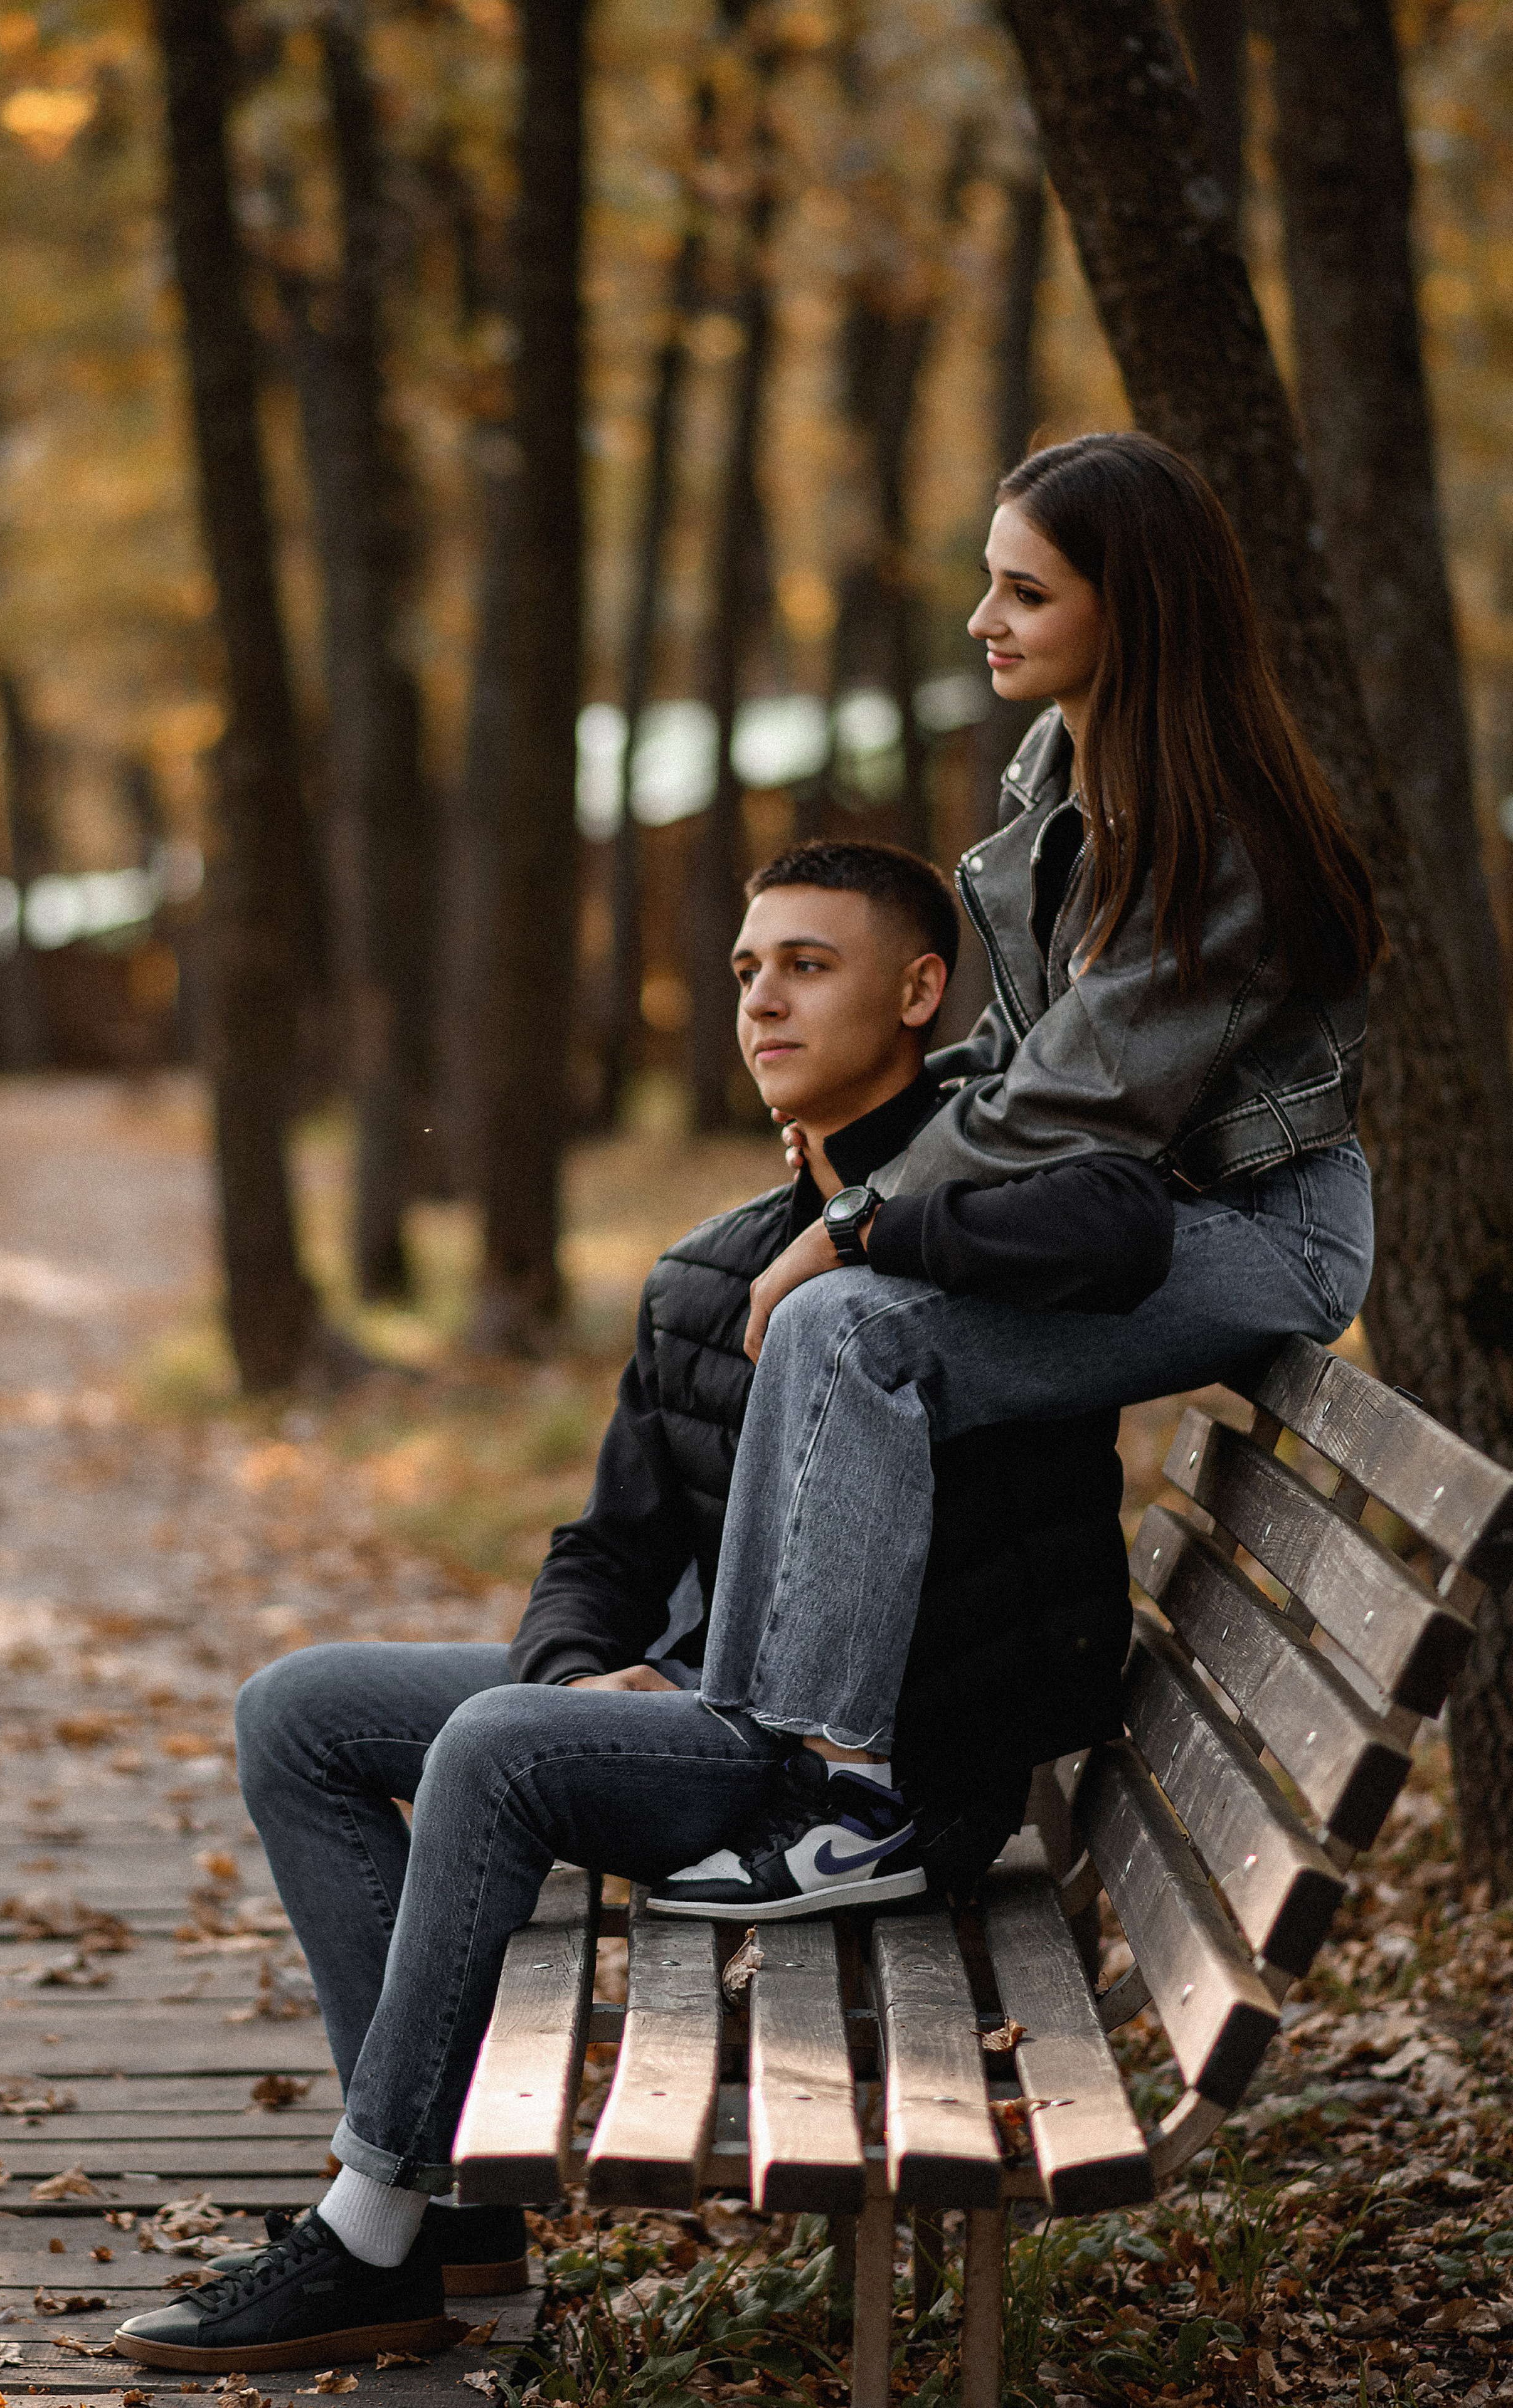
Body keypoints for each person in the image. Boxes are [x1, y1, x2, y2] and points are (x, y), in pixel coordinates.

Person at [111, 836, 1174, 2376]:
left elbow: (1120, 1245)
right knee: (301, 1712)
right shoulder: (706, 1274)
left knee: (488, 1749)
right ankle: (460, 2203)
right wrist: (581, 1669)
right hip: (690, 1710)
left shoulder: (985, 1231)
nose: (762, 1002)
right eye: (746, 971)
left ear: (922, 991)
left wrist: (870, 1239)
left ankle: (366, 2230)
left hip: (860, 1774)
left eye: (809, 967)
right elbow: (601, 1545)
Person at [649, 430, 1385, 1920]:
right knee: (821, 1320)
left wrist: (856, 1222)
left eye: (1022, 594)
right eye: (990, 586)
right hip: (1145, 1213)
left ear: (1133, 608)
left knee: (851, 1326)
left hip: (1263, 1235)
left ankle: (843, 1794)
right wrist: (850, 1178)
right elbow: (1012, 1046)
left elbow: (1071, 1093)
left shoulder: (1214, 836)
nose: (983, 622)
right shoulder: (1060, 766)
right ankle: (745, 1746)